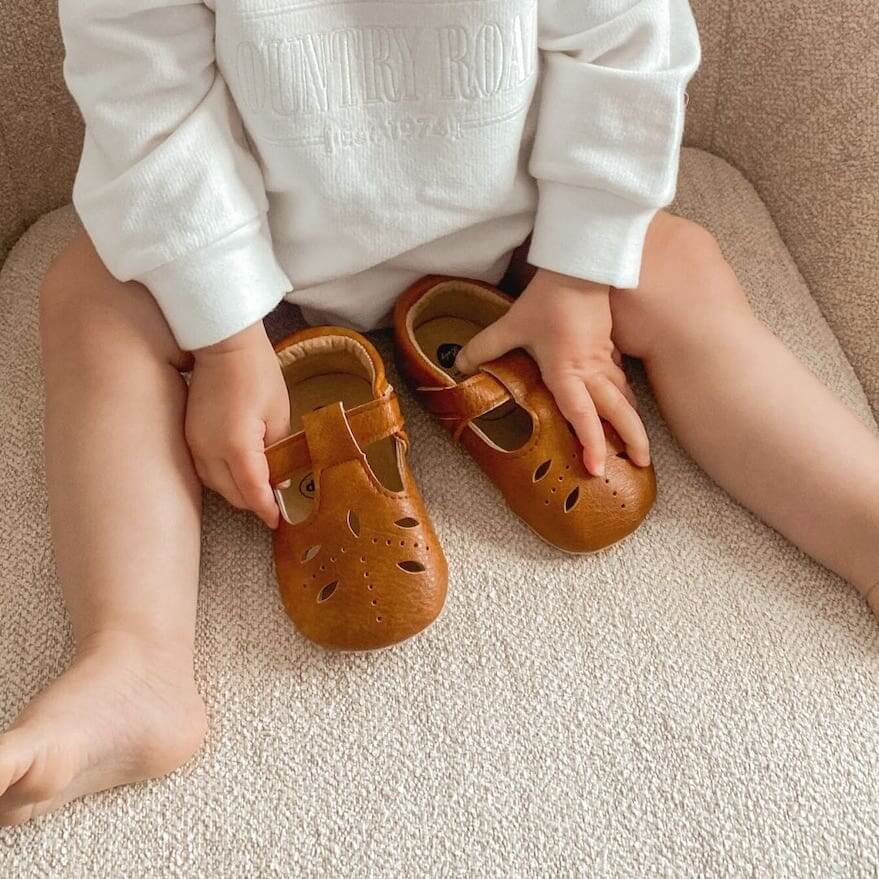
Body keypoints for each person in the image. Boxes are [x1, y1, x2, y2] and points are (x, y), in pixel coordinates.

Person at [0, 0, 876, 827]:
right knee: (89, 297)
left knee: (678, 266)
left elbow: (623, 46)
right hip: (244, 260)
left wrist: (577, 272)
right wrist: (225, 333)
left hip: (523, 235)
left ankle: (860, 518)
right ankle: (133, 663)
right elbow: (143, 96)